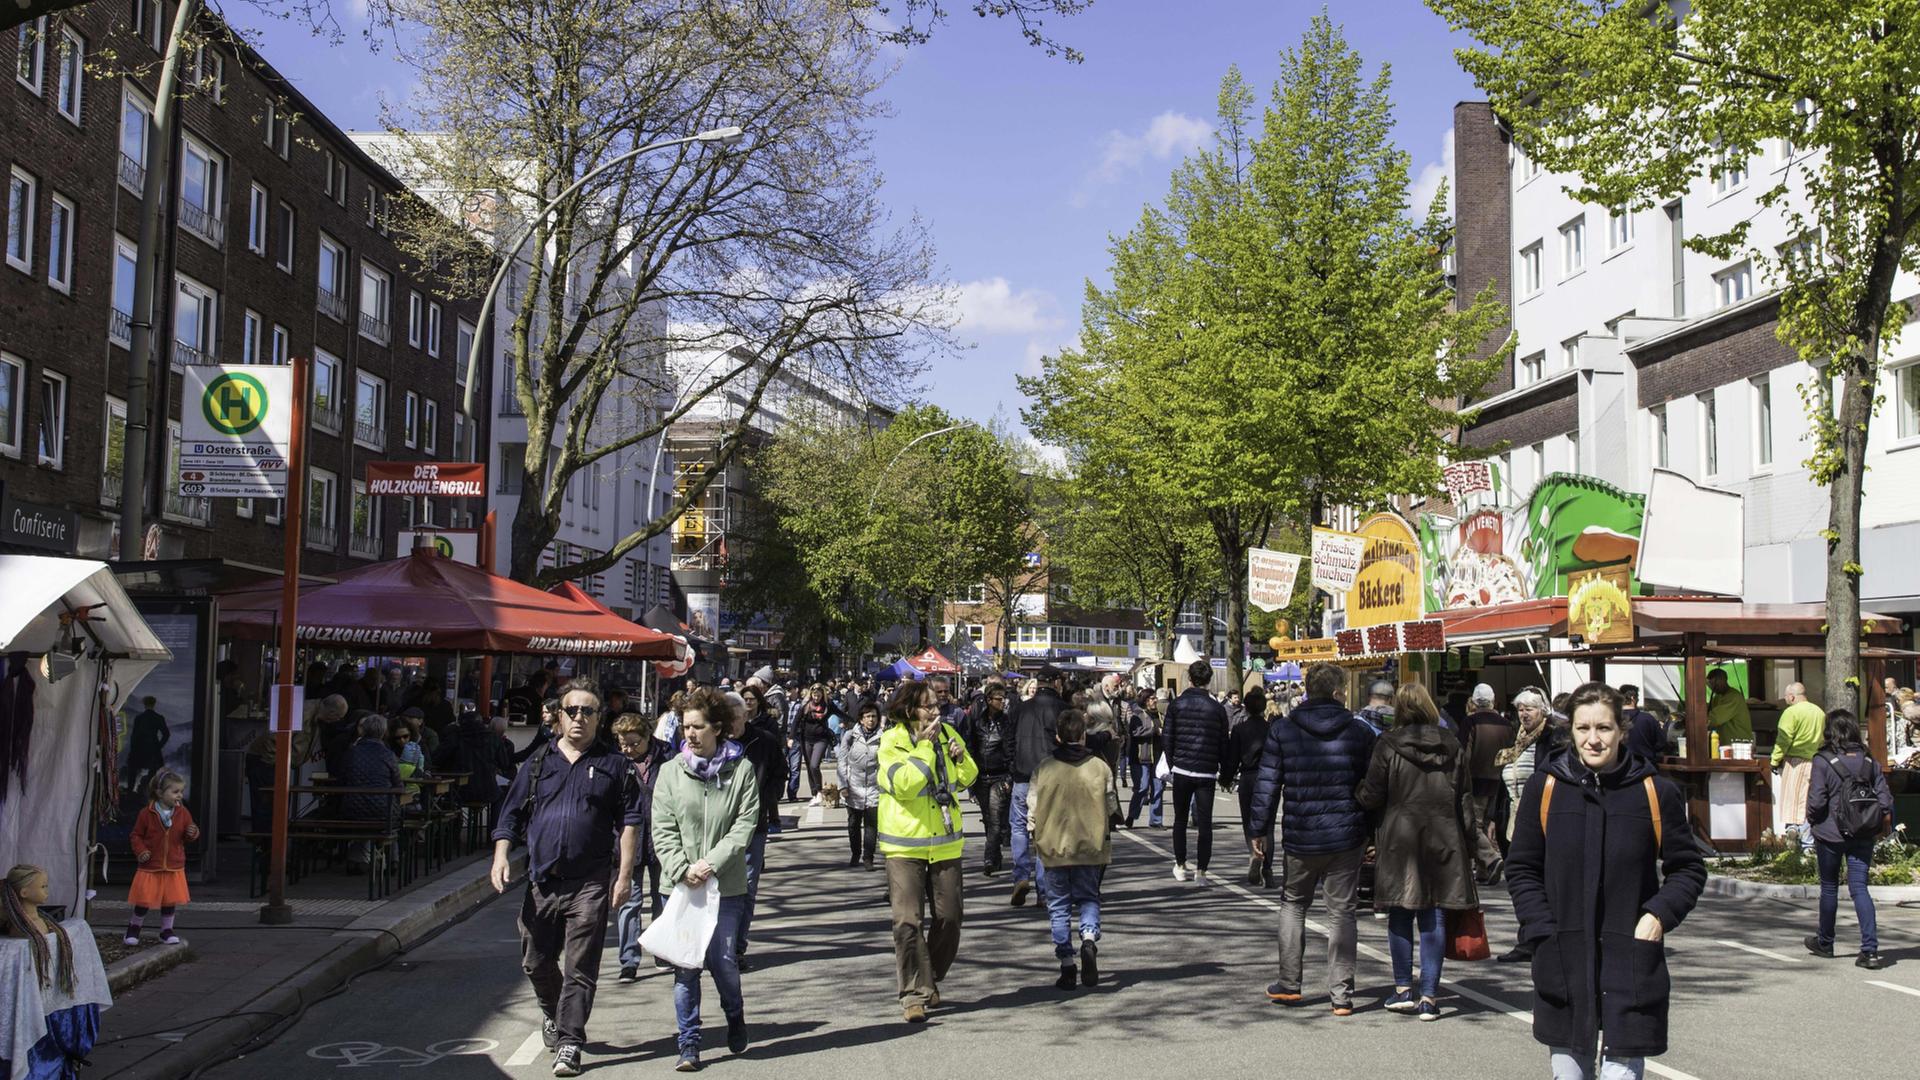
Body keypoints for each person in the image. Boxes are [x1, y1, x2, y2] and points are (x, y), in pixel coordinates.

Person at [1506, 682, 1706, 1080]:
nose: (1593, 740)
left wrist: (1657, 917)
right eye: (1583, 729)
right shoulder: (1545, 788)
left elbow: (1688, 868)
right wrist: (1542, 927)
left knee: (1622, 1070)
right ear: (1571, 731)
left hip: (1629, 962)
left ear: (1621, 730)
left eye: (1604, 728)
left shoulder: (1654, 791)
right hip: (1562, 959)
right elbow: (1522, 867)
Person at [490, 679, 642, 1078]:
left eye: (588, 711)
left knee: (580, 966)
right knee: (535, 961)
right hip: (542, 881)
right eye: (572, 711)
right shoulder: (539, 762)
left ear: (599, 718)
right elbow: (510, 816)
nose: (579, 718)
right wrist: (501, 856)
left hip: (590, 881)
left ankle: (570, 1042)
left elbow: (630, 822)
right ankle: (553, 1013)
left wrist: (623, 875)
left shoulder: (614, 765)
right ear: (559, 716)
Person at [1247, 662, 1376, 1014]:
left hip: (1301, 835)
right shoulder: (1359, 732)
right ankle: (1341, 995)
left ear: (1307, 690)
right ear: (1337, 692)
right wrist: (1373, 830)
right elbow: (1372, 788)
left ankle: (1290, 983)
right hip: (1346, 835)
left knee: (1293, 904)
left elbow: (1268, 783)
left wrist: (1258, 829)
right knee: (1342, 913)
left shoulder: (1284, 730)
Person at [651, 688, 759, 1071]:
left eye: (697, 727)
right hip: (680, 886)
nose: (690, 734)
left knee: (723, 961)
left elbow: (744, 826)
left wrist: (709, 864)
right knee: (686, 965)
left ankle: (734, 1014)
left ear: (717, 728)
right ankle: (689, 1043)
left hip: (724, 885)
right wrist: (683, 868)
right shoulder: (669, 773)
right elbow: (662, 828)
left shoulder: (741, 771)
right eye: (685, 727)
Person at [1355, 685, 1477, 1021]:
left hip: (1400, 838)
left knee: (1400, 911)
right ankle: (1430, 996)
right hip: (1443, 836)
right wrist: (1474, 843)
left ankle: (1402, 989)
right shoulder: (1451, 743)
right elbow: (1465, 798)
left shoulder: (1388, 744)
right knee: (1434, 914)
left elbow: (1373, 794)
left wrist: (1358, 793)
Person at [877, 680, 978, 1023]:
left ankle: (929, 975)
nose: (936, 712)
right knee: (907, 921)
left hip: (946, 842)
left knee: (950, 918)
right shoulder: (891, 742)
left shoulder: (949, 733)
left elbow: (967, 777)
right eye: (928, 706)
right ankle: (913, 994)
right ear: (909, 710)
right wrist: (923, 749)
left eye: (938, 705)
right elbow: (905, 786)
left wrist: (960, 759)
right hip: (904, 845)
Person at [1027, 708, 1112, 991]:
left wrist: (1032, 829)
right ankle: (1088, 938)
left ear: (1059, 737)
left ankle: (1066, 963)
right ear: (1083, 735)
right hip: (1090, 845)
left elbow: (1032, 806)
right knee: (1089, 897)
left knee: (1059, 906)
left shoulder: (1045, 768)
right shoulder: (1099, 767)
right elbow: (1111, 804)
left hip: (1053, 846)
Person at [1802, 709, 1893, 970]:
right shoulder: (1869, 760)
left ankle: (1826, 942)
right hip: (1863, 833)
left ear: (1829, 730)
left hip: (1830, 833)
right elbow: (1885, 800)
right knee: (1860, 888)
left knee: (1829, 887)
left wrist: (1813, 820)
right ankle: (1870, 951)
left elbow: (1817, 801)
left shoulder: (1823, 760)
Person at [724, 689, 785, 968]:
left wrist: (765, 800)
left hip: (754, 826)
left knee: (746, 888)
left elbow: (779, 774)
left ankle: (737, 947)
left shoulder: (765, 742)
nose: (729, 725)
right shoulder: (713, 742)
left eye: (734, 718)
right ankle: (716, 945)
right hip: (718, 828)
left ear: (745, 715)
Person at [1495, 687, 1556, 963]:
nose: (1524, 714)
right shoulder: (1514, 739)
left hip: (1543, 820)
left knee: (1542, 882)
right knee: (1520, 884)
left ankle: (1543, 939)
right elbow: (1502, 782)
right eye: (1520, 709)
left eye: (1529, 708)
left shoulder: (1551, 740)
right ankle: (1528, 938)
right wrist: (1494, 820)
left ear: (1543, 710)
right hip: (1513, 819)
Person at [1162, 659, 1230, 883]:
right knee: (1205, 823)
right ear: (1209, 680)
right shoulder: (1217, 709)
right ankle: (1201, 871)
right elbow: (1223, 744)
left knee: (1180, 820)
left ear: (1189, 679)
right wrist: (1224, 770)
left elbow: (1168, 738)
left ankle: (1180, 864)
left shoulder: (1177, 705)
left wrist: (1173, 764)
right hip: (1206, 772)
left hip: (1182, 769)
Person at [1008, 666, 1070, 906]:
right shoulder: (1062, 709)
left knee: (1019, 828)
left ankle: (1021, 876)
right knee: (1046, 833)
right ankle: (1043, 891)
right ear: (1055, 682)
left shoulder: (1020, 708)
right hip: (1050, 776)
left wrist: (1012, 767)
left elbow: (1008, 740)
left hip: (1023, 776)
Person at [610, 715, 658, 983]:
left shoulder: (667, 757)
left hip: (660, 837)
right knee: (630, 902)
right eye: (622, 744)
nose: (627, 749)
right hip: (628, 841)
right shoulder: (616, 764)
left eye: (633, 743)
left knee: (663, 898)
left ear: (647, 737)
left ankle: (662, 950)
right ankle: (629, 960)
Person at [125, 771, 198, 946]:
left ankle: (166, 930)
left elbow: (190, 831)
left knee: (169, 900)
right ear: (159, 793)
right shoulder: (146, 813)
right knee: (143, 899)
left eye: (181, 791)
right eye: (175, 791)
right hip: (151, 865)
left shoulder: (183, 812)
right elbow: (136, 835)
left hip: (173, 865)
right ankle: (134, 928)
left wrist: (192, 833)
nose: (179, 795)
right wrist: (141, 850)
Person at [1223, 686, 1274, 886]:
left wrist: (1226, 778)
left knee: (1249, 822)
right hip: (1269, 778)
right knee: (1268, 823)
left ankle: (1254, 853)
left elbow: (1232, 758)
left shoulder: (1240, 729)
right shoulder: (1272, 729)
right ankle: (1268, 868)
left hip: (1248, 777)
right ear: (1263, 708)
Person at [340, 714, 402, 874]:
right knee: (393, 820)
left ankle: (357, 859)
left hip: (352, 809)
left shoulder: (351, 752)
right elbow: (398, 785)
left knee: (361, 819)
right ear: (384, 732)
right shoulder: (388, 754)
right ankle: (393, 860)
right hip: (383, 811)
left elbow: (342, 777)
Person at [965, 679, 1015, 875]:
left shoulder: (1007, 722)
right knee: (988, 819)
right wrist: (971, 780)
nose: (1002, 702)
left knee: (994, 818)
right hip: (981, 776)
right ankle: (995, 856)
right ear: (988, 699)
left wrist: (1009, 777)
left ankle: (989, 857)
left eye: (1004, 698)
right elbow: (971, 747)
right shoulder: (977, 721)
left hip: (999, 776)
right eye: (998, 698)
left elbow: (1011, 750)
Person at [1463, 684, 1514, 877]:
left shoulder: (1470, 722)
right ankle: (1484, 871)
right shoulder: (1506, 725)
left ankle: (1490, 859)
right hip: (1500, 780)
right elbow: (1511, 752)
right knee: (1485, 823)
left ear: (1475, 701)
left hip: (1476, 780)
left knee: (1473, 824)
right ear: (1493, 701)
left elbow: (1464, 753)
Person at [1771, 683, 1826, 850]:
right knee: (1809, 801)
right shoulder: (1819, 712)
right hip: (1816, 761)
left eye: (1786, 697)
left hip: (1796, 761)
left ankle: (1798, 838)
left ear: (1792, 696)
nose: (1786, 700)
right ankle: (1808, 840)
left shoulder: (1791, 712)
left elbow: (1784, 739)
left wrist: (1775, 760)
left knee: (1794, 802)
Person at [837, 700, 884, 870]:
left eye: (874, 716)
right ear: (861, 719)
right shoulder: (850, 736)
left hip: (874, 787)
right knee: (853, 824)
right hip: (853, 786)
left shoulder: (883, 737)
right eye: (867, 717)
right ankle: (855, 853)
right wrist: (843, 785)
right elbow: (842, 761)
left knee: (871, 826)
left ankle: (868, 857)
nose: (871, 720)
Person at [791, 685, 839, 805]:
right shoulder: (806, 706)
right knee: (809, 766)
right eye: (814, 695)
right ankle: (815, 793)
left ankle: (819, 790)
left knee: (814, 765)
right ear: (811, 695)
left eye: (818, 695)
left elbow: (840, 713)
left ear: (823, 694)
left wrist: (855, 720)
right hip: (806, 739)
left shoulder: (828, 705)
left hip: (821, 739)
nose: (816, 697)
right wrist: (790, 737)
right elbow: (796, 721)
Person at [1126, 689, 1166, 828]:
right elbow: (1135, 732)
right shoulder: (1138, 715)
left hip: (1158, 758)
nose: (1155, 701)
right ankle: (1132, 815)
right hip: (1141, 757)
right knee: (1142, 788)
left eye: (1155, 698)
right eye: (1151, 698)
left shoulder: (1161, 716)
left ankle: (1156, 820)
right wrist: (1154, 731)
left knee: (1158, 788)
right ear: (1145, 700)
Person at [124, 696, 171, 797]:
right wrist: (159, 746)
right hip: (153, 748)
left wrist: (133, 749)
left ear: (144, 704)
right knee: (152, 771)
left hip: (139, 747)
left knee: (132, 768)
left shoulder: (139, 718)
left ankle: (130, 791)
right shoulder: (159, 717)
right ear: (154, 704)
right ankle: (149, 793)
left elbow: (134, 735)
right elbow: (166, 734)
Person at [1705, 668, 1754, 745]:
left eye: (1715, 684)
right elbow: (1708, 712)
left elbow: (1716, 718)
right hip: (1727, 744)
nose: (1712, 687)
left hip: (1740, 744)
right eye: (1710, 685)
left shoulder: (1733, 696)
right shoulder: (1717, 697)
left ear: (1723, 680)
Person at [1618, 685, 1664, 764]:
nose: (1638, 699)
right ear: (1633, 698)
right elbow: (1661, 744)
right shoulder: (1648, 719)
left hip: (1620, 768)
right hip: (1645, 768)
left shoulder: (1613, 719)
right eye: (1637, 697)